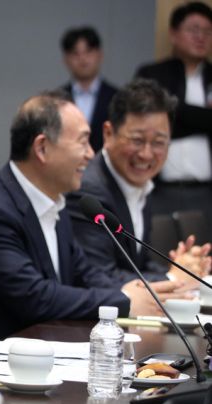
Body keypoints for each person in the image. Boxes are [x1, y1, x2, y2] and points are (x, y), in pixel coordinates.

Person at [0, 92, 182, 354]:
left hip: (31, 353)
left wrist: (137, 290)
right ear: (42, 148)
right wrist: (125, 300)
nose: (90, 154)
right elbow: (35, 297)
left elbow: (86, 274)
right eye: (83, 142)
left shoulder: (53, 202)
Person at [68, 79, 211, 284]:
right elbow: (99, 275)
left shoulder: (140, 183)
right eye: (137, 140)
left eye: (159, 142)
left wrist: (184, 268)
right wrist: (172, 278)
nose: (146, 154)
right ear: (108, 133)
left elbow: (137, 265)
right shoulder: (88, 191)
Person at [135, 2, 212, 236]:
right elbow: (148, 120)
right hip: (159, 190)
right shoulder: (152, 74)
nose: (201, 37)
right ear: (174, 34)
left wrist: (177, 114)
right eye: (194, 29)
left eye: (207, 31)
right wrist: (205, 118)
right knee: (158, 250)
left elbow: (170, 117)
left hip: (206, 192)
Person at [59, 26, 118, 153]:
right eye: (75, 53)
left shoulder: (117, 97)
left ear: (100, 54)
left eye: (88, 51)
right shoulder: (57, 99)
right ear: (66, 59)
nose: (83, 59)